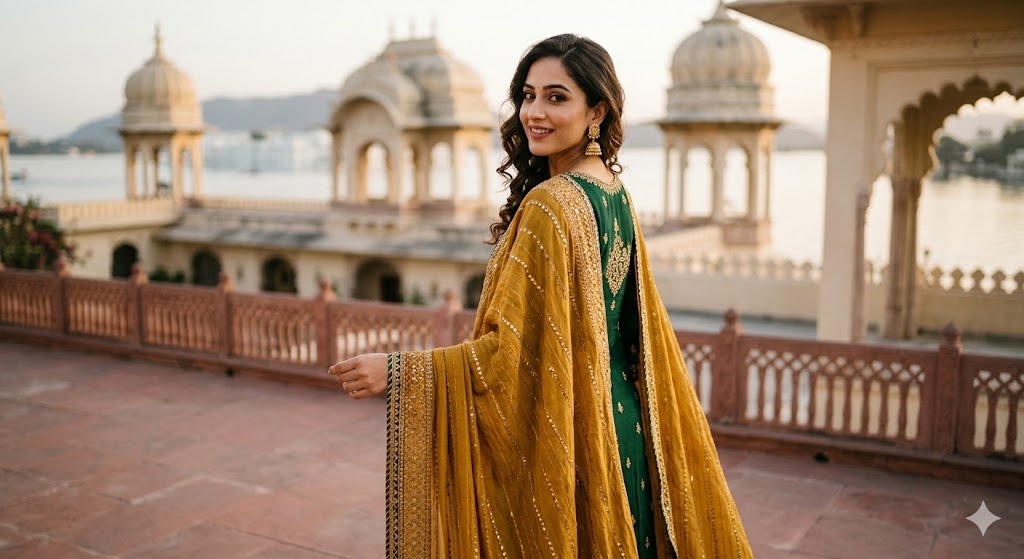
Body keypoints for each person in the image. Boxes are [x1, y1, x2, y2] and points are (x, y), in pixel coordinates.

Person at [329, 33, 752, 558]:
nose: (535, 112)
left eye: (557, 97)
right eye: (528, 96)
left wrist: (399, 370)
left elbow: (511, 357)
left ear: (596, 111)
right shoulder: (613, 192)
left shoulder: (551, 206)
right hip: (623, 433)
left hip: (574, 434)